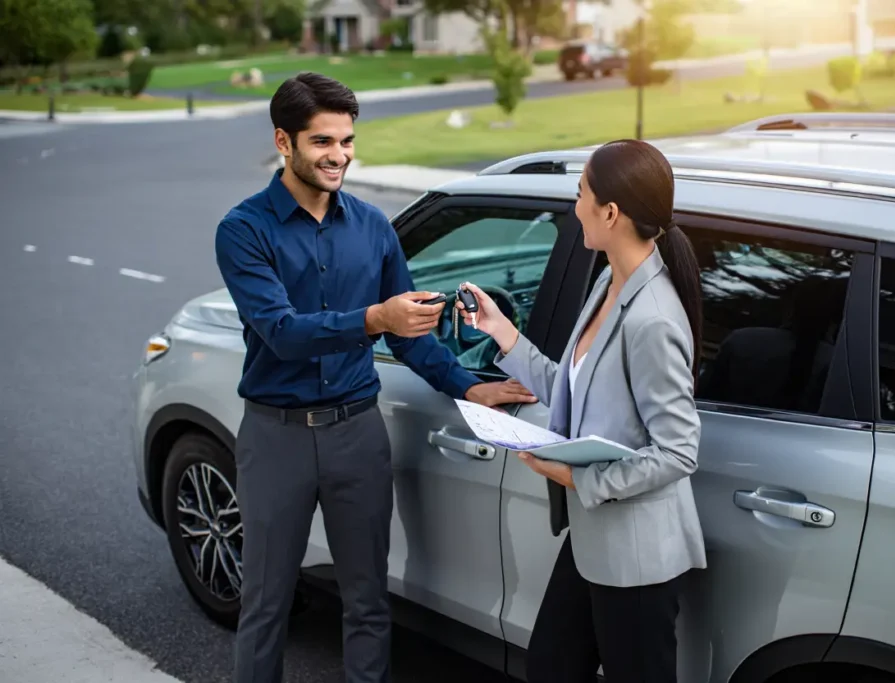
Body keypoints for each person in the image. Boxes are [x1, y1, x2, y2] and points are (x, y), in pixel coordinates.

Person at [214, 71, 535, 683]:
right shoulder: (243, 230)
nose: (339, 156)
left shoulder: (373, 227)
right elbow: (281, 332)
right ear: (285, 143)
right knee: (265, 604)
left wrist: (468, 385)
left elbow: (405, 332)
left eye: (347, 141)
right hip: (275, 438)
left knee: (367, 601)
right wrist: (373, 317)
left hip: (357, 434)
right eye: (322, 142)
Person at [456, 138, 706, 683]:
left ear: (610, 213)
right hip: (595, 536)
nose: (574, 207)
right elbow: (569, 384)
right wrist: (500, 330)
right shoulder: (607, 282)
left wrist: (574, 476)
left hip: (637, 555)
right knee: (550, 667)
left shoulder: (654, 320)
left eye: (580, 195)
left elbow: (679, 452)